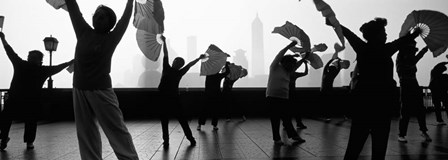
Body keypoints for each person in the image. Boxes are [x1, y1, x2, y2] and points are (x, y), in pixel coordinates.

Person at [332, 18, 421, 160]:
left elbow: (347, 33)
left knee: (354, 145)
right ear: (376, 35)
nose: (386, 35)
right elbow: (402, 42)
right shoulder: (385, 50)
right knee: (379, 147)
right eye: (383, 32)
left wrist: (334, 23)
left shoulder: (363, 48)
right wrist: (415, 34)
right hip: (382, 105)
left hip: (363, 105)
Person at [65, 0, 139, 159]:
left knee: (116, 129)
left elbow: (125, 19)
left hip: (101, 91)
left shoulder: (111, 38)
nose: (98, 18)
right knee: (85, 132)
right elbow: (73, 8)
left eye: (103, 17)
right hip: (79, 89)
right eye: (97, 15)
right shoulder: (83, 31)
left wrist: (130, 1)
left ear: (110, 23)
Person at [0, 32, 73, 150]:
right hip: (31, 100)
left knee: (6, 118)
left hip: (14, 98)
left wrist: (3, 39)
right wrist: (71, 62)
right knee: (31, 121)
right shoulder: (42, 70)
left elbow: (9, 51)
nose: (29, 58)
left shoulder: (20, 64)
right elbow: (59, 67)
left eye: (30, 57)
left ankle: (4, 139)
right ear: (41, 61)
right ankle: (29, 142)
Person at [158, 35, 205, 147]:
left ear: (180, 65)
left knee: (181, 120)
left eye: (178, 63)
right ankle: (167, 140)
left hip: (173, 99)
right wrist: (164, 42)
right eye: (176, 61)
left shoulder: (177, 71)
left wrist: (198, 59)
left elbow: (189, 65)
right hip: (166, 98)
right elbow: (166, 54)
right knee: (166, 121)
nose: (176, 63)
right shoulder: (169, 68)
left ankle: (190, 138)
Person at [266, 41, 306, 145]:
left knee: (286, 118)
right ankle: (277, 139)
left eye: (293, 65)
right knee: (275, 119)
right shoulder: (275, 67)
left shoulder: (289, 71)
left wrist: (305, 58)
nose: (292, 67)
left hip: (284, 97)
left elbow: (297, 64)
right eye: (290, 64)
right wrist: (289, 46)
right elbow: (280, 54)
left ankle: (294, 136)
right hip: (272, 96)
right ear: (284, 63)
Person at [396, 40, 431, 143]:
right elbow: (413, 61)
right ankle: (402, 134)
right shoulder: (402, 57)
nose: (413, 52)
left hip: (413, 83)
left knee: (420, 108)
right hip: (405, 83)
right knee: (405, 110)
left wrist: (424, 50)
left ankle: (423, 131)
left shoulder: (409, 57)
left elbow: (414, 60)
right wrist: (424, 50)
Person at [320, 44, 349, 122]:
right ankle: (331, 116)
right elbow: (334, 59)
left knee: (329, 103)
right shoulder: (334, 67)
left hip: (326, 88)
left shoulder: (334, 67)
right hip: (327, 88)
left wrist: (336, 52)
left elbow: (333, 59)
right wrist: (336, 52)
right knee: (330, 103)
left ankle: (328, 116)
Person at [197, 61, 230, 131]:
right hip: (216, 95)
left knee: (204, 110)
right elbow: (227, 72)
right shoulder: (218, 76)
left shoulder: (209, 74)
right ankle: (214, 125)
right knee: (215, 111)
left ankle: (200, 125)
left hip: (208, 95)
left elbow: (208, 66)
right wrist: (226, 64)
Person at [289, 58, 308, 129]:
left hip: (287, 93)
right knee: (296, 109)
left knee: (288, 110)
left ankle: (286, 124)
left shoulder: (287, 73)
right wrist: (305, 64)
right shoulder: (295, 74)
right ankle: (299, 123)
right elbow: (305, 73)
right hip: (292, 93)